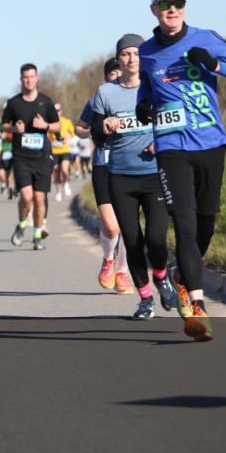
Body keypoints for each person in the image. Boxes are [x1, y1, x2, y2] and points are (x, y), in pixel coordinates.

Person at [138, 0, 226, 340]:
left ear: (184, 7)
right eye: (165, 5)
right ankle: (198, 306)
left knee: (206, 226)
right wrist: (143, 106)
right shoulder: (146, 53)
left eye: (177, 4)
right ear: (154, 11)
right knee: (186, 228)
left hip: (210, 145)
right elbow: (146, 90)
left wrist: (216, 64)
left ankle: (180, 275)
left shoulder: (206, 38)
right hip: (171, 147)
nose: (171, 10)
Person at [93, 34, 180, 319]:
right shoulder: (106, 93)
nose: (131, 59)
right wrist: (104, 126)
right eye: (125, 54)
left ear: (143, 57)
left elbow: (174, 121)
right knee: (132, 240)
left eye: (136, 53)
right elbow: (95, 133)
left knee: (156, 238)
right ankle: (145, 299)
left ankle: (161, 275)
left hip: (154, 173)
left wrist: (161, 142)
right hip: (121, 176)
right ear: (119, 59)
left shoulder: (158, 86)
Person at [76, 58, 133, 294]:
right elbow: (79, 128)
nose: (117, 77)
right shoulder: (98, 99)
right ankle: (108, 258)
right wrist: (94, 131)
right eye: (113, 74)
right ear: (106, 77)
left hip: (132, 166)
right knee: (111, 226)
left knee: (129, 226)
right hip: (104, 165)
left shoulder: (138, 96)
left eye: (120, 73)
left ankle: (122, 272)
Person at [1, 64, 60, 250]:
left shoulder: (46, 102)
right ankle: (21, 225)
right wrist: (13, 129)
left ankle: (37, 236)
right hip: (22, 158)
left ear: (37, 78)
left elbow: (58, 126)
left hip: (42, 157)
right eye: (25, 77)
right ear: (21, 79)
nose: (28, 80)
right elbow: (3, 126)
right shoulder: (13, 103)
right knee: (26, 197)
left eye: (31, 76)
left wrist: (45, 126)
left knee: (39, 199)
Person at [50, 103, 75, 202]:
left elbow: (73, 133)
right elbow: (47, 136)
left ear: (61, 111)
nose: (57, 112)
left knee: (64, 170)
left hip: (65, 150)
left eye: (58, 110)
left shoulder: (67, 121)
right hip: (54, 150)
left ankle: (66, 184)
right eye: (55, 111)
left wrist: (68, 138)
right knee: (56, 171)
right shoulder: (50, 123)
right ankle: (58, 192)